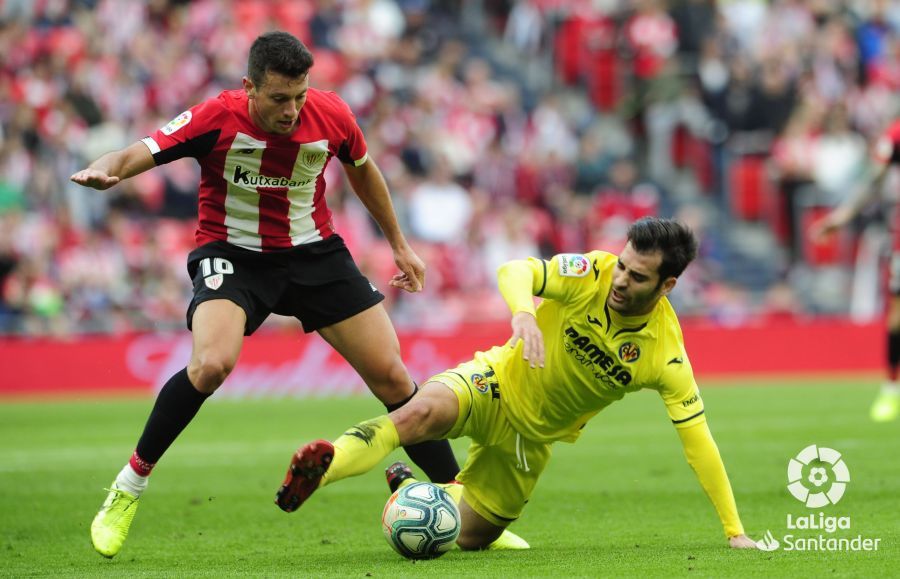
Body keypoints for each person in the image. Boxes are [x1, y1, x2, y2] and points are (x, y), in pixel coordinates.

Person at [70, 31, 461, 558]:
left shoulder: (332, 115)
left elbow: (364, 172)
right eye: (279, 98)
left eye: (299, 95)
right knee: (211, 365)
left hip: (313, 253)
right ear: (249, 87)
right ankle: (128, 487)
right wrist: (107, 171)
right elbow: (140, 149)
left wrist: (400, 244)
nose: (292, 109)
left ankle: (466, 501)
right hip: (233, 254)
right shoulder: (215, 116)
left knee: (393, 377)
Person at [277, 217, 758, 550]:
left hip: (530, 442)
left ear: (667, 285)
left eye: (638, 276)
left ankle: (407, 491)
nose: (620, 279)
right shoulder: (592, 272)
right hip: (494, 382)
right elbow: (516, 269)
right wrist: (525, 314)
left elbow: (698, 442)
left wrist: (734, 530)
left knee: (464, 540)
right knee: (417, 414)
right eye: (623, 263)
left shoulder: (664, 355)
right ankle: (325, 467)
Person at [812, 121, 900, 423]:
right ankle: (891, 389)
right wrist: (842, 216)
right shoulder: (895, 135)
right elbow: (873, 182)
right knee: (896, 317)